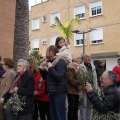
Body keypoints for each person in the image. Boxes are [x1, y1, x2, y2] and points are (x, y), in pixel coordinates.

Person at [40, 45, 68, 120]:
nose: (45, 53)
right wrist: (42, 69)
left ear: (51, 52)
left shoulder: (60, 62)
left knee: (60, 115)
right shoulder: (49, 62)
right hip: (52, 92)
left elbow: (59, 76)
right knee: (53, 114)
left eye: (47, 51)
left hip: (59, 92)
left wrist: (51, 68)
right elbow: (45, 78)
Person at [79, 53, 98, 120]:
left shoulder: (93, 66)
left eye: (90, 57)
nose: (89, 58)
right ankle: (83, 118)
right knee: (83, 104)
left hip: (91, 88)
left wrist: (95, 88)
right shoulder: (80, 66)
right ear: (84, 58)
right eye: (87, 57)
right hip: (84, 87)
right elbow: (80, 77)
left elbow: (95, 77)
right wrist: (82, 86)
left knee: (89, 105)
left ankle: (88, 118)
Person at [66, 54, 83, 120]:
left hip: (78, 91)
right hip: (71, 90)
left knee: (76, 108)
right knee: (71, 107)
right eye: (79, 58)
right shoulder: (70, 67)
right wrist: (78, 85)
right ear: (75, 59)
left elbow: (82, 77)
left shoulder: (79, 67)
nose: (80, 60)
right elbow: (70, 79)